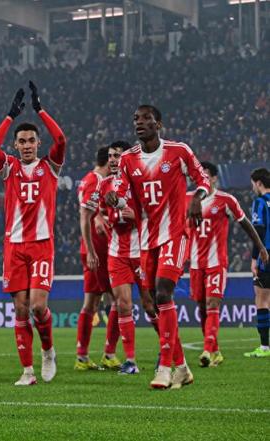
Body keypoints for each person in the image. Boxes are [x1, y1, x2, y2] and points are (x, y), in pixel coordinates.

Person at [105, 104, 210, 389]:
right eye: (136, 119)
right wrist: (115, 198)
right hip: (147, 240)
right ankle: (182, 368)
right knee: (152, 303)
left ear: (158, 124)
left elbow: (202, 179)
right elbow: (120, 191)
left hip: (174, 234)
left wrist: (197, 197)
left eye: (146, 118)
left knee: (163, 292)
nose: (139, 123)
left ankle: (164, 367)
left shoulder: (178, 151)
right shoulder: (128, 159)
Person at [0, 81, 65, 386]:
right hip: (14, 247)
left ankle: (48, 351)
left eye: (32, 140)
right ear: (16, 146)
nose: (28, 145)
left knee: (37, 306)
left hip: (42, 245)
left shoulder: (51, 167)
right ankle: (28, 372)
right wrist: (10, 115)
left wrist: (40, 109)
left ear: (38, 143)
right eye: (22, 141)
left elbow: (61, 138)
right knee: (20, 310)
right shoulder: (9, 168)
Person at [187, 162, 267, 366]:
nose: (203, 179)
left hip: (217, 263)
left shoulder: (226, 200)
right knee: (202, 307)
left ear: (214, 178)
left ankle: (207, 350)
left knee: (212, 303)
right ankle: (215, 351)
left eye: (206, 175)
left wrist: (260, 247)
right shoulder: (187, 199)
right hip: (195, 264)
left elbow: (246, 223)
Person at [100, 141, 160, 375]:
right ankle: (131, 361)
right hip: (117, 254)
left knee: (150, 304)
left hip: (141, 251)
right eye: (110, 156)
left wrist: (136, 216)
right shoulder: (105, 184)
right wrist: (101, 219)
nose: (113, 160)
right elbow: (101, 211)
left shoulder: (140, 181)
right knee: (123, 304)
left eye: (117, 156)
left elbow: (153, 213)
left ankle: (168, 349)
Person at [76, 146, 120, 371]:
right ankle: (108, 353)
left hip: (94, 248)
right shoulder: (96, 181)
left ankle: (83, 356)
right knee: (119, 300)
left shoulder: (88, 179)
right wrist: (92, 251)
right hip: (98, 250)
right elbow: (86, 216)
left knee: (92, 302)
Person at [245, 168, 270, 357]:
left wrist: (255, 258)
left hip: (266, 255)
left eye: (253, 183)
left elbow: (258, 231)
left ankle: (264, 347)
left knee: (262, 298)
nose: (253, 187)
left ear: (259, 183)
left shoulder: (260, 202)